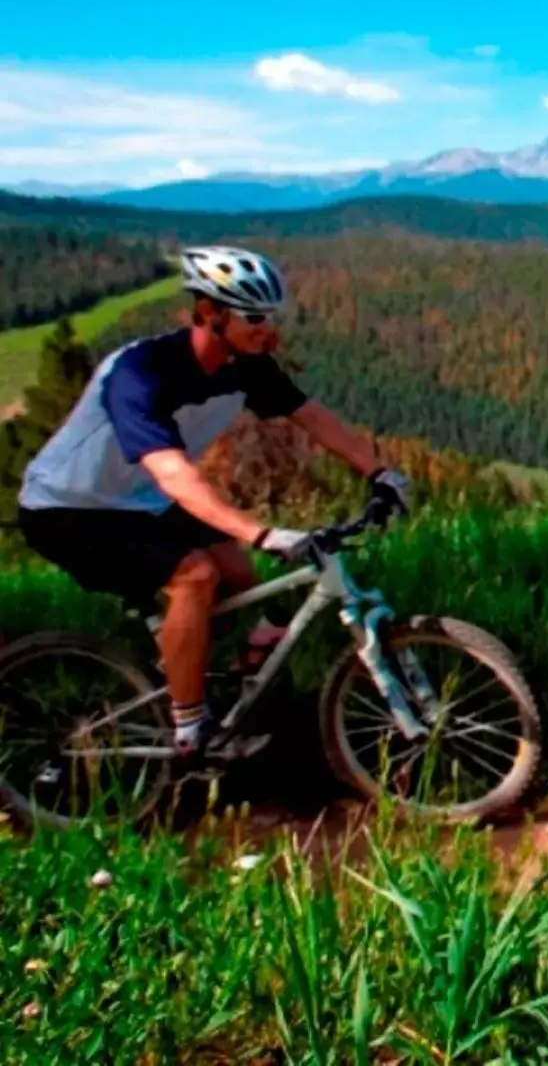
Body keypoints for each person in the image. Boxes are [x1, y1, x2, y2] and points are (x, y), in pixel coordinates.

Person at [17, 247, 411, 761]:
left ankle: (199, 670)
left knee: (242, 578)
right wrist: (263, 532)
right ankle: (189, 731)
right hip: (69, 510)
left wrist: (381, 473)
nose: (267, 329)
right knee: (196, 575)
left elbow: (311, 416)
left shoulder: (246, 365)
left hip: (141, 500)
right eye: (253, 317)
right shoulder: (139, 374)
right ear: (209, 313)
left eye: (271, 316)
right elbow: (175, 475)